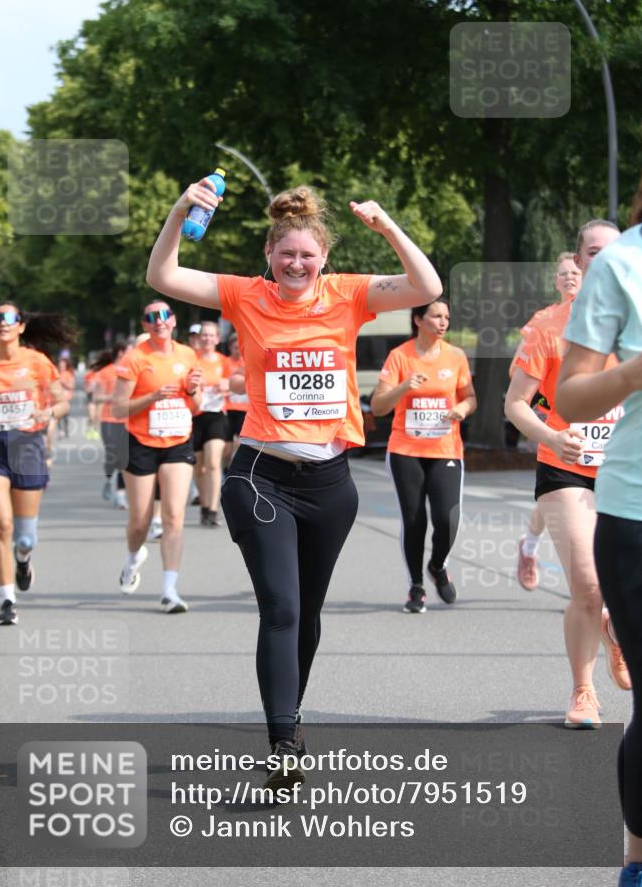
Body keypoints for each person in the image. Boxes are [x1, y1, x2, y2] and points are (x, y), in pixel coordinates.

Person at [147, 178, 442, 784]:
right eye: (287, 254)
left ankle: (293, 715)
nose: (297, 264)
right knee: (281, 607)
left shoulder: (349, 296)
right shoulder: (244, 295)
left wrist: (386, 227)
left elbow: (428, 287)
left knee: (307, 613)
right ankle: (282, 742)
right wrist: (181, 210)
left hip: (330, 486)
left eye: (308, 255)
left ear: (324, 258)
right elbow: (164, 277)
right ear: (269, 257)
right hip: (260, 477)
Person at [504, 220, 631, 729]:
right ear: (577, 262)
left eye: (614, 251)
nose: (602, 259)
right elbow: (515, 404)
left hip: (629, 469)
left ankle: (615, 628)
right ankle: (584, 691)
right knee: (588, 583)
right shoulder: (548, 327)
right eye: (593, 251)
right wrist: (553, 436)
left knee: (621, 586)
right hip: (567, 466)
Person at [556, 189, 642, 887]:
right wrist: (637, 369)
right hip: (637, 512)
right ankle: (636, 866)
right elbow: (572, 396)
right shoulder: (622, 264)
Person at [370, 298, 476, 612]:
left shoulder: (455, 356)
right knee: (415, 520)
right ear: (418, 320)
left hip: (445, 448)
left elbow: (470, 397)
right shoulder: (400, 356)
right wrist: (403, 387)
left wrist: (461, 408)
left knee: (447, 518)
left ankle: (437, 565)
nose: (443, 322)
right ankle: (416, 586)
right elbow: (378, 407)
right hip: (406, 450)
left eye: (446, 316)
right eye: (436, 316)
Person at [0, 303, 74, 625]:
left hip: (27, 444)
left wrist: (47, 413)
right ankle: (7, 599)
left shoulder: (37, 362)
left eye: (9, 318)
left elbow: (62, 402)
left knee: (24, 537)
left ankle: (23, 559)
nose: (2, 323)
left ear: (20, 327)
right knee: (0, 523)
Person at [111, 302, 202, 613]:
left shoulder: (188, 355)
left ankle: (169, 590)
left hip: (178, 440)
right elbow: (118, 408)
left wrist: (191, 391)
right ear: (146, 325)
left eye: (164, 315)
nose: (159, 322)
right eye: (152, 317)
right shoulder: (135, 359)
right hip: (140, 442)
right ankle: (133, 557)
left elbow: (197, 405)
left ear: (174, 321)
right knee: (140, 520)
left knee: (174, 516)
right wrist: (151, 397)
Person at [509, 251, 583, 590]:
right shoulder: (545, 320)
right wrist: (541, 409)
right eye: (563, 274)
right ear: (556, 282)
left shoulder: (618, 317)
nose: (569, 278)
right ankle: (531, 546)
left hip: (607, 438)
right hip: (555, 426)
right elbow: (517, 372)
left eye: (575, 273)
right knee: (551, 496)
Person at [189, 320, 231, 527]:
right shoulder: (191, 360)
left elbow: (239, 384)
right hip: (194, 416)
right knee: (199, 467)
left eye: (210, 335)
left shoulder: (224, 362)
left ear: (217, 338)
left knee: (213, 463)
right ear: (199, 338)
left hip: (216, 416)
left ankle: (213, 509)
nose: (207, 338)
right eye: (203, 335)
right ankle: (204, 506)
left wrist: (228, 385)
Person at [92, 344, 130, 508]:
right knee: (112, 456)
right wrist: (114, 397)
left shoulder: (132, 371)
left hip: (128, 420)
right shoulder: (106, 372)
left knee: (124, 458)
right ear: (121, 353)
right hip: (109, 419)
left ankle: (121, 495)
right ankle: (108, 479)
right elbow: (97, 398)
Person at [224, 332, 249, 461]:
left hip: (244, 410)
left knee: (240, 444)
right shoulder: (225, 362)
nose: (238, 351)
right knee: (226, 448)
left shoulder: (248, 362)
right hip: (228, 409)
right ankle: (225, 471)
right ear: (230, 348)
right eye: (235, 348)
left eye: (240, 348)